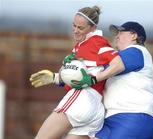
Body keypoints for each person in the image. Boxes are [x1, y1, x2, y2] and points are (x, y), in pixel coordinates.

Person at [29, 6, 123, 139]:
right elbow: (77, 77)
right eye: (74, 26)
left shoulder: (98, 43)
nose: (75, 30)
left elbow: (118, 65)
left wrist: (94, 79)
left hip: (81, 99)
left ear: (93, 27)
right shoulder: (81, 45)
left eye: (80, 28)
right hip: (94, 109)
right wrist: (56, 78)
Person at [72, 21, 153, 139]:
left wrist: (78, 63)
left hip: (133, 117)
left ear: (134, 36)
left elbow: (101, 68)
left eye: (121, 33)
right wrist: (59, 78)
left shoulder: (137, 51)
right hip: (114, 119)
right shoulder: (122, 56)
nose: (116, 36)